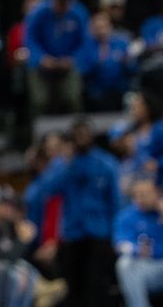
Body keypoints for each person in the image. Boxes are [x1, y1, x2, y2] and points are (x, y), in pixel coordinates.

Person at [36, 118, 119, 307]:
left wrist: (114, 234)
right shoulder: (64, 163)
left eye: (85, 134)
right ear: (72, 139)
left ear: (92, 136)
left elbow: (114, 201)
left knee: (97, 285)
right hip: (72, 233)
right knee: (71, 288)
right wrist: (67, 164)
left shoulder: (105, 163)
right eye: (77, 135)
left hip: (99, 232)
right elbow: (48, 189)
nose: (82, 139)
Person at [114, 178, 163, 307]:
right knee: (125, 264)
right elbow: (121, 244)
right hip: (145, 268)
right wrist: (137, 249)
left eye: (145, 194)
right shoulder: (127, 215)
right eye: (137, 195)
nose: (140, 199)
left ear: (158, 193)